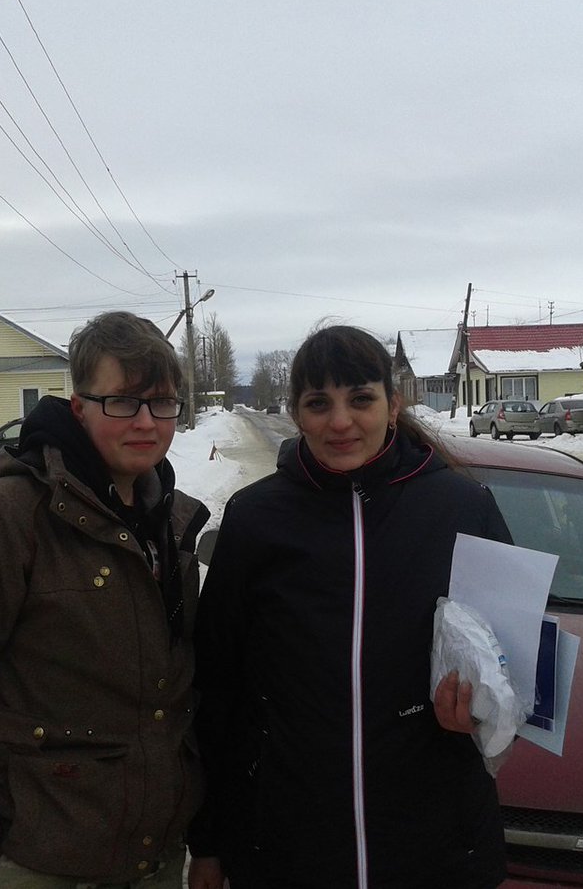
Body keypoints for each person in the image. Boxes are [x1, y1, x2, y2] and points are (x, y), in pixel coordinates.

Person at [0, 311, 209, 889]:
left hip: (152, 858)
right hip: (37, 865)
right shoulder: (6, 520)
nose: (146, 422)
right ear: (79, 407)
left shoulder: (168, 521)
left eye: (162, 403)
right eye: (122, 402)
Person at [186, 325, 511, 889]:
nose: (340, 422)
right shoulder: (256, 519)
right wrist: (210, 842)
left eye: (361, 399)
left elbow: (518, 667)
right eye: (319, 403)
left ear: (393, 405)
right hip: (289, 845)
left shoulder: (463, 508)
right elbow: (218, 688)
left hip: (434, 844)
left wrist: (485, 712)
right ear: (296, 412)